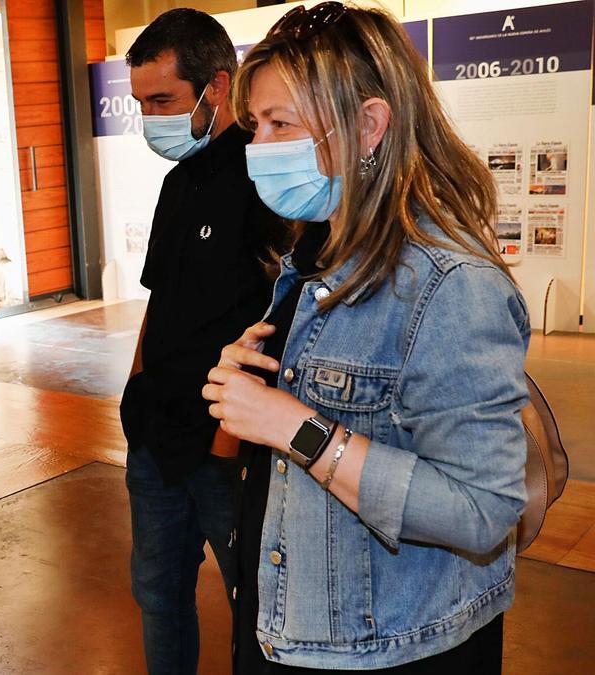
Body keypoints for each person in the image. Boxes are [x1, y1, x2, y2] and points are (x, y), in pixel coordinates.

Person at [205, 3, 529, 672]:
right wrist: (253, 383)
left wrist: (295, 424)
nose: (257, 146)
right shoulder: (313, 259)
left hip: (392, 649)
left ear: (369, 125)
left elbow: (482, 509)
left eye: (279, 124)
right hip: (294, 624)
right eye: (254, 124)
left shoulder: (450, 283)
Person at [118, 9, 286, 673]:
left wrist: (233, 438)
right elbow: (159, 298)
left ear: (217, 86)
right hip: (155, 437)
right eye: (140, 103)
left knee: (254, 600)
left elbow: (284, 313)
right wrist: (132, 392)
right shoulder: (175, 182)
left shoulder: (267, 177)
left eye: (163, 100)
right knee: (158, 593)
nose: (150, 118)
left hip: (228, 446)